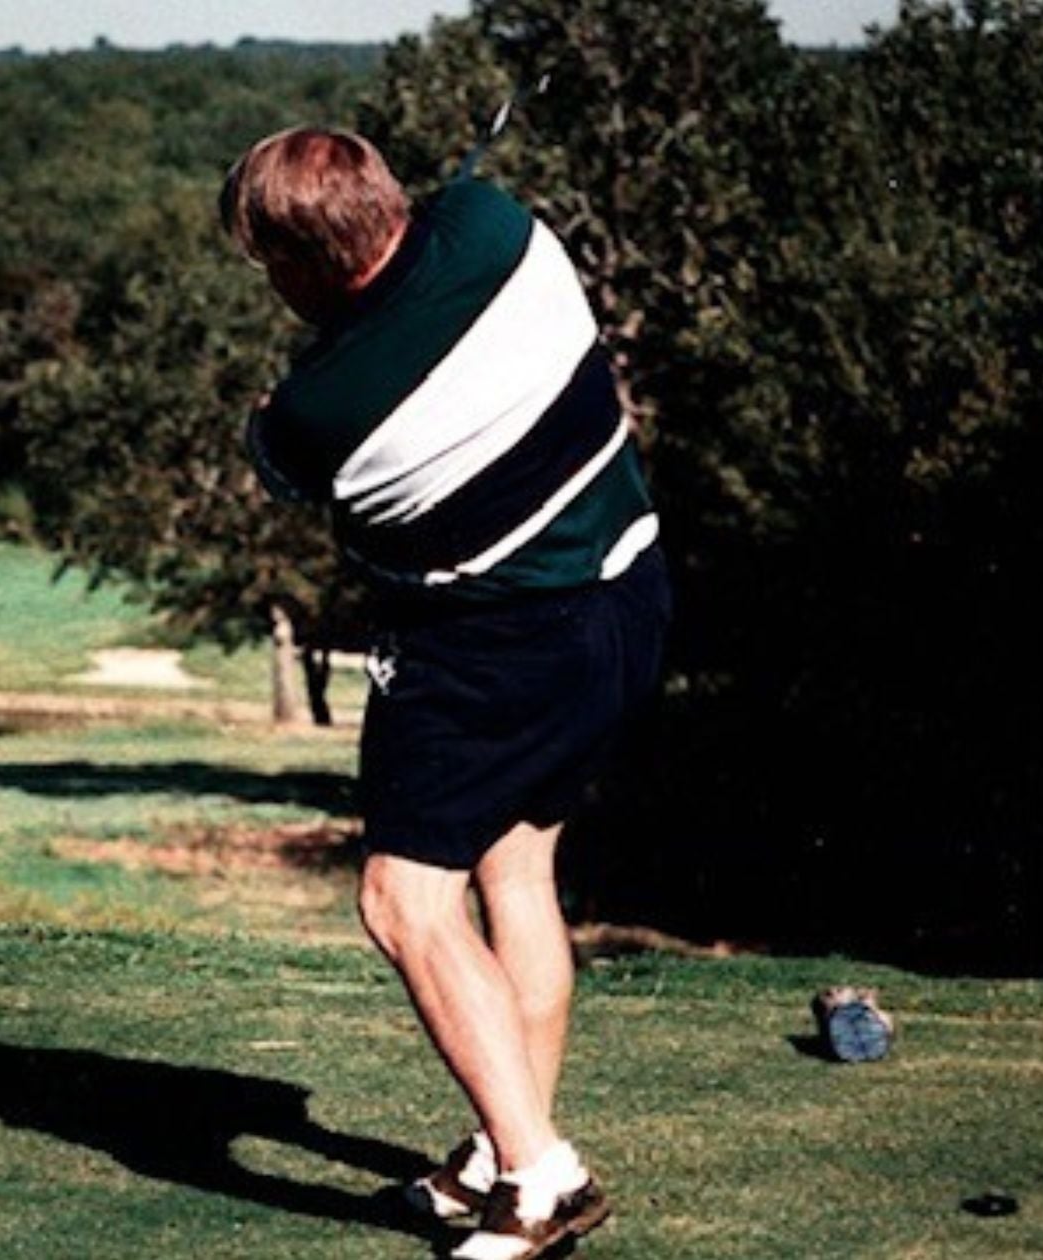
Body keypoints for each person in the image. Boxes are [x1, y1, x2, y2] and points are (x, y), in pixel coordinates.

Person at [219, 127, 670, 1260]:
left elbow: (276, 457)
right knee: (515, 868)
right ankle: (499, 1141)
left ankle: (536, 1178)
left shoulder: (318, 410)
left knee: (402, 902)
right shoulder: (493, 223)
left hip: (493, 647)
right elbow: (444, 221)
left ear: (300, 264)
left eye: (268, 264)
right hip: (627, 597)